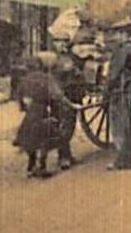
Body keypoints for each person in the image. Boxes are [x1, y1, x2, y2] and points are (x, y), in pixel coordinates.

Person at [103, 20, 131, 171]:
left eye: (118, 33)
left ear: (125, 34)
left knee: (122, 127)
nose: (116, 37)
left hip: (124, 92)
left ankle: (122, 161)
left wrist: (106, 91)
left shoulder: (122, 51)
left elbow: (114, 74)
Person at [15, 52, 65, 178]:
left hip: (30, 114)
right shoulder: (47, 78)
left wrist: (24, 107)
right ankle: (42, 166)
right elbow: (57, 95)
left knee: (30, 138)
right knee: (45, 138)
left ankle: (31, 166)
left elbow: (19, 98)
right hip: (43, 112)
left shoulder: (24, 80)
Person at [54, 40, 86, 170]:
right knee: (64, 126)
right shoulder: (57, 59)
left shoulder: (72, 57)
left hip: (74, 94)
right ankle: (63, 157)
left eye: (63, 42)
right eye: (57, 42)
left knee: (69, 125)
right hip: (64, 95)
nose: (61, 44)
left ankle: (66, 155)